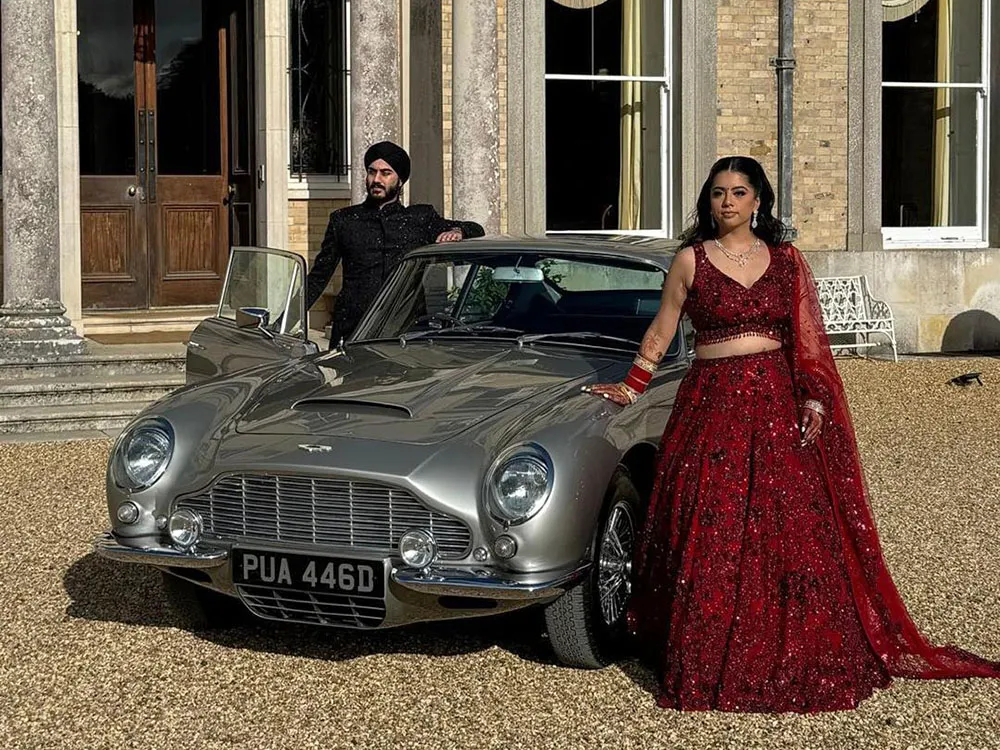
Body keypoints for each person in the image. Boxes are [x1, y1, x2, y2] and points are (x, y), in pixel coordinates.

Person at [584, 156, 1000, 712]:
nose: (726, 202)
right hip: (711, 406)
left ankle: (791, 655)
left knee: (786, 530)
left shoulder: (786, 262)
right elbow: (662, 330)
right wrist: (631, 388)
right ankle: (710, 658)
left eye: (738, 192)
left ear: (759, 201)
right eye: (716, 193)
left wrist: (813, 397)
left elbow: (807, 337)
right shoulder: (689, 261)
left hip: (776, 403)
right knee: (714, 525)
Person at [305, 140, 485, 346]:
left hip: (406, 331)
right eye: (372, 172)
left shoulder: (420, 218)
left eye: (385, 173)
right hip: (354, 329)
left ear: (400, 180)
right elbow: (319, 276)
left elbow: (476, 229)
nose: (376, 179)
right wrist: (287, 318)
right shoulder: (343, 220)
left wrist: (458, 231)